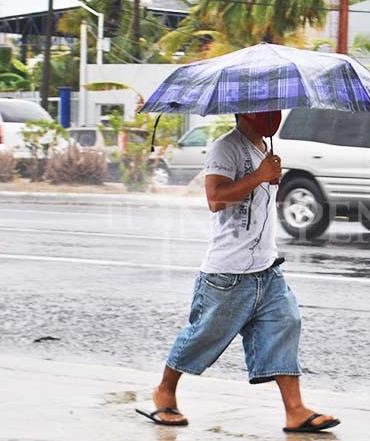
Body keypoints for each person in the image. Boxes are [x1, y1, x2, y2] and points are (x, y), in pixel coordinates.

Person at [136, 111, 340, 434]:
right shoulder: (225, 148)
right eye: (265, 108)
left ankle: (295, 410)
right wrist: (259, 176)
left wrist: (268, 176)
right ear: (245, 111)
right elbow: (215, 198)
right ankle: (165, 391)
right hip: (227, 274)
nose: (273, 114)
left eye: (275, 106)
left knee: (286, 324)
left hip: (266, 268)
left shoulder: (265, 149)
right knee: (203, 336)